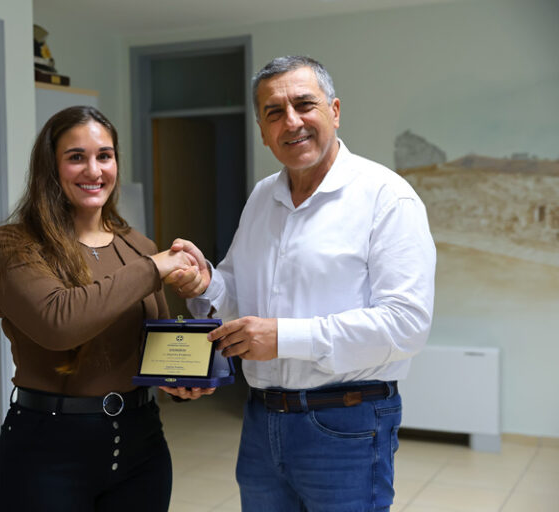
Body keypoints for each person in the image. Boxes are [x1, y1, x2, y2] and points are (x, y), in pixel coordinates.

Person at [166, 56, 436, 511]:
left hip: (346, 422)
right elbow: (237, 295)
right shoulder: (262, 197)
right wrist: (205, 283)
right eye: (274, 112)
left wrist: (283, 337)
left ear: (335, 111)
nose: (291, 122)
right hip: (262, 420)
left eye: (304, 104)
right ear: (262, 131)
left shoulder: (387, 198)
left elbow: (406, 325)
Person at [0, 106, 200, 512]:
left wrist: (183, 380)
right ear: (50, 166)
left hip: (141, 450)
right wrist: (152, 268)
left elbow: (155, 344)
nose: (94, 170)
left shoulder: (137, 245)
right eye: (76, 157)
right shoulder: (13, 246)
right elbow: (59, 323)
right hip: (46, 454)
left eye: (104, 156)